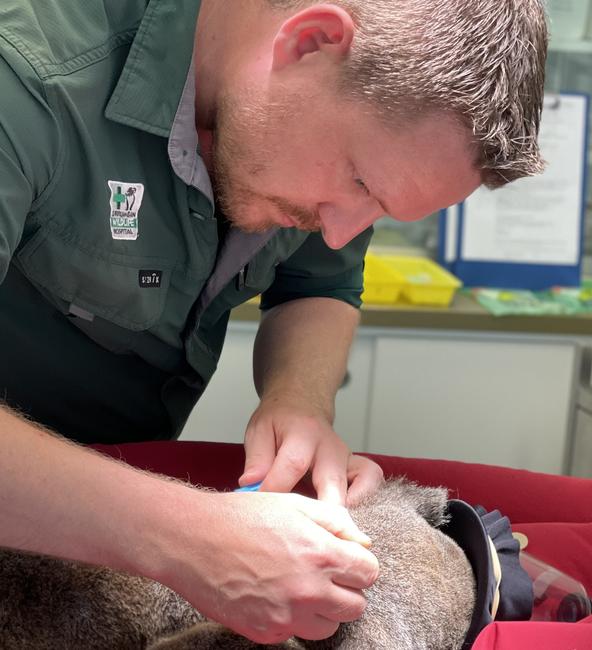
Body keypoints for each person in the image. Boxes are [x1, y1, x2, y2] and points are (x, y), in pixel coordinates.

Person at [0, 0, 548, 644]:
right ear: (308, 40)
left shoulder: (308, 125)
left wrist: (300, 401)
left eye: (378, 212)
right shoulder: (28, 81)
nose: (345, 227)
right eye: (361, 181)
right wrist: (193, 538)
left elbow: (320, 281)